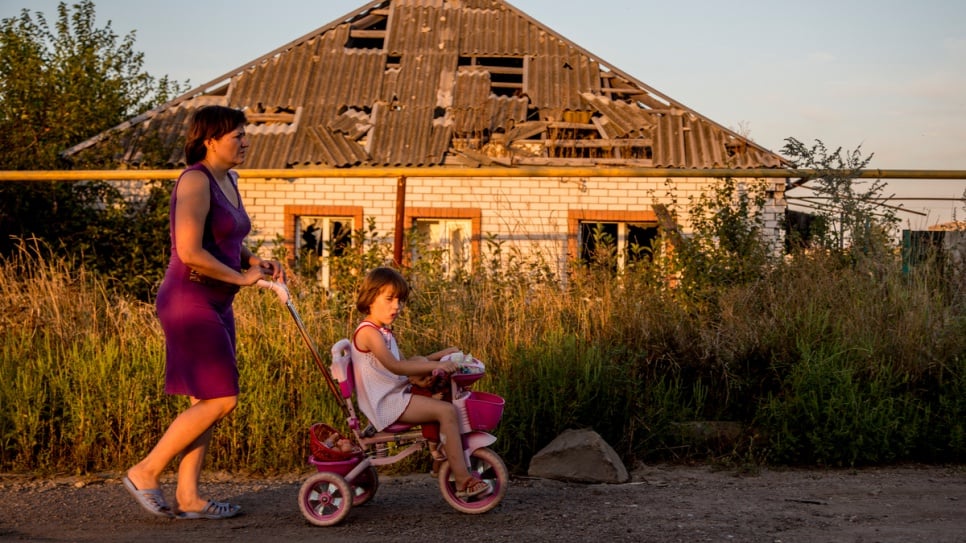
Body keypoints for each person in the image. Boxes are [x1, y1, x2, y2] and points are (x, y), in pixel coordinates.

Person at [122, 105, 284, 520]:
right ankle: (146, 470)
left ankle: (190, 497)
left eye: (245, 134)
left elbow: (226, 237)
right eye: (237, 136)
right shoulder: (196, 180)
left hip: (217, 299)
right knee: (222, 397)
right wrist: (242, 278)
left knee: (204, 401)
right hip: (187, 300)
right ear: (210, 140)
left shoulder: (228, 179)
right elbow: (191, 253)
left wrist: (253, 261)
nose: (246, 141)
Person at [350, 267, 492, 498]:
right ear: (371, 297)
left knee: (445, 396)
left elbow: (405, 364)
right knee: (446, 412)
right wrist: (435, 366)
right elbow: (396, 367)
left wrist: (440, 356)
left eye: (400, 300)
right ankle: (463, 481)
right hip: (387, 404)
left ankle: (441, 458)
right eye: (389, 299)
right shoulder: (369, 333)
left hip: (396, 395)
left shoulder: (382, 331)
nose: (396, 306)